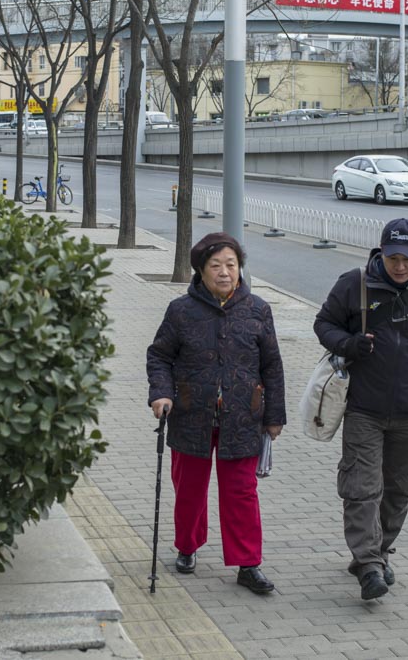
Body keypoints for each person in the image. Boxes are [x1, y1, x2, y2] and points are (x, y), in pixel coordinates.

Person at [313, 217, 408, 601]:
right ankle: (368, 566)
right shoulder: (356, 284)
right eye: (393, 257)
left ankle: (377, 553)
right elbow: (324, 324)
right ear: (381, 252)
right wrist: (348, 344)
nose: (400, 265)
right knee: (363, 488)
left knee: (398, 490)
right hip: (364, 408)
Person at [147, 232, 286, 594]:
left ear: (240, 269)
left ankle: (248, 563)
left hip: (242, 417)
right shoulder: (181, 311)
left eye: (231, 264)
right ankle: (188, 546)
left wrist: (274, 416)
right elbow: (159, 355)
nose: (224, 272)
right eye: (216, 265)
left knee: (241, 492)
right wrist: (161, 393)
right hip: (192, 414)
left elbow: (272, 366)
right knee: (190, 489)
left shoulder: (258, 309)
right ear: (201, 271)